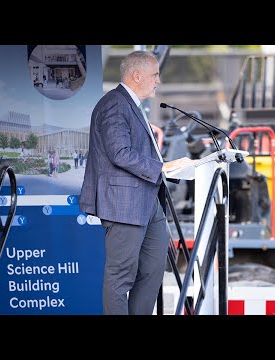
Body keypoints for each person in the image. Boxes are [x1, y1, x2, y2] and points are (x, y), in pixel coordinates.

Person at [79, 50, 193, 315]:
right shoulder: (114, 105)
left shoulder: (131, 105)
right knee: (120, 276)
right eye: (155, 75)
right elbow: (120, 153)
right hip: (124, 204)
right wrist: (162, 166)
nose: (158, 81)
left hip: (147, 201)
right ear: (136, 75)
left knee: (153, 271)